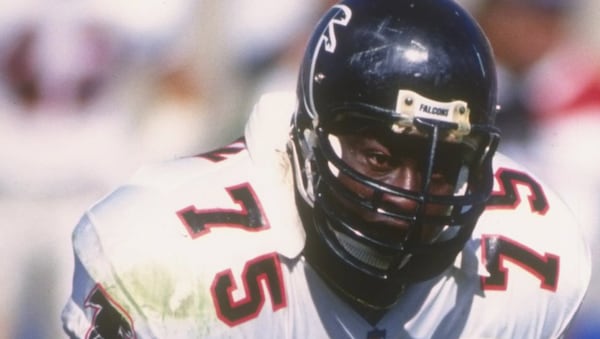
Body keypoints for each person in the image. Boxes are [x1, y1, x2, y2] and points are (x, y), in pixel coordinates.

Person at [61, 0, 591, 337]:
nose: (407, 195)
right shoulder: (167, 252)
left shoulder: (533, 255)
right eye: (381, 158)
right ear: (311, 134)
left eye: (441, 165)